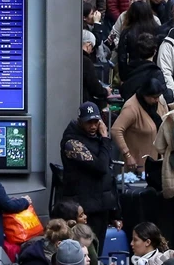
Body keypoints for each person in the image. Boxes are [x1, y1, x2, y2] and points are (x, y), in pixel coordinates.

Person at [59, 102, 117, 242]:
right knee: (86, 249)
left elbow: (108, 174)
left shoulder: (96, 138)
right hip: (84, 208)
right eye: (88, 122)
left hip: (101, 205)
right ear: (80, 121)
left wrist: (115, 212)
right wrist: (105, 138)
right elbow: (100, 167)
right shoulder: (71, 142)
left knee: (98, 247)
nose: (93, 126)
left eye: (96, 122)